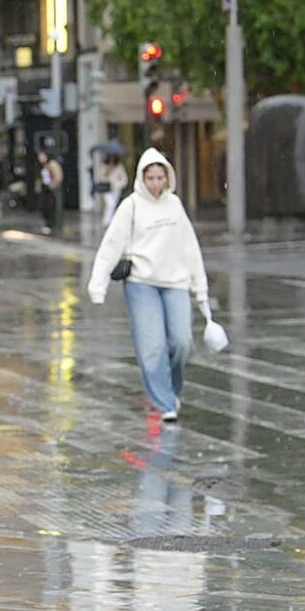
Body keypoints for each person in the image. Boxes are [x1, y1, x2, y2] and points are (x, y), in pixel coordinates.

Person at [87, 148, 209, 424]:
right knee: (151, 346)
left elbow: (190, 248)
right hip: (141, 284)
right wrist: (98, 284)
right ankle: (164, 402)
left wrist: (200, 289)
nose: (155, 183)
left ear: (168, 177)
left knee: (182, 342)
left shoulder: (174, 206)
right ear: (142, 179)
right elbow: (111, 245)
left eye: (159, 178)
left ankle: (170, 388)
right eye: (150, 178)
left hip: (176, 282)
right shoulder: (130, 206)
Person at [36, 150, 64, 232]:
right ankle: (47, 223)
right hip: (44, 187)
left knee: (50, 206)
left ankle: (51, 224)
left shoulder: (52, 164)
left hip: (50, 188)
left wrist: (53, 185)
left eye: (42, 156)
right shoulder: (42, 166)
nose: (40, 158)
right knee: (43, 206)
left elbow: (58, 176)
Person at [100, 154, 128, 227]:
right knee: (111, 204)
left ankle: (110, 221)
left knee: (113, 205)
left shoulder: (119, 166)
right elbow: (101, 178)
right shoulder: (104, 166)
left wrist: (119, 184)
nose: (111, 159)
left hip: (116, 189)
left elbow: (124, 178)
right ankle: (106, 221)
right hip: (106, 188)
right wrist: (108, 170)